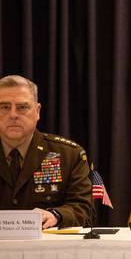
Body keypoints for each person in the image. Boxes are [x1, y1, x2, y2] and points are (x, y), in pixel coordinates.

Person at [0, 75, 92, 229]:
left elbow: (83, 208)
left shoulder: (68, 154)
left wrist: (56, 215)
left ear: (37, 111)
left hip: (48, 250)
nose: (13, 115)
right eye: (4, 107)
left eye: (22, 107)